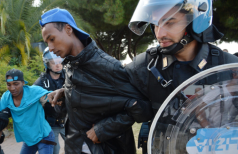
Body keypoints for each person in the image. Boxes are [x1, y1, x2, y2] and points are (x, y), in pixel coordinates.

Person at [126, 0, 238, 153]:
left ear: (197, 22)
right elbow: (113, 102)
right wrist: (101, 129)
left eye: (170, 23)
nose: (160, 34)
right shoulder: (143, 66)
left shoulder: (229, 67)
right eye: (156, 24)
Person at [40, 8, 152, 154]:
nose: (50, 47)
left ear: (68, 29)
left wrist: (104, 129)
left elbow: (142, 108)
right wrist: (65, 93)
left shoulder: (107, 66)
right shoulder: (70, 65)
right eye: (47, 42)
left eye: (52, 39)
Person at [0, 69, 56, 154]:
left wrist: (56, 99)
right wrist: (5, 112)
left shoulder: (34, 91)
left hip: (44, 136)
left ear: (23, 83)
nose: (12, 88)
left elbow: (51, 95)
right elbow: (1, 114)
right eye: (9, 85)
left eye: (16, 84)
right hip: (29, 139)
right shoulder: (6, 97)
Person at [33, 47, 66, 154]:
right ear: (47, 64)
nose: (57, 65)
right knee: (54, 151)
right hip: (51, 124)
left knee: (77, 148)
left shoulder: (69, 76)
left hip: (69, 122)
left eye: (59, 61)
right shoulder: (41, 82)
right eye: (53, 62)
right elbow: (32, 98)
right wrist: (43, 100)